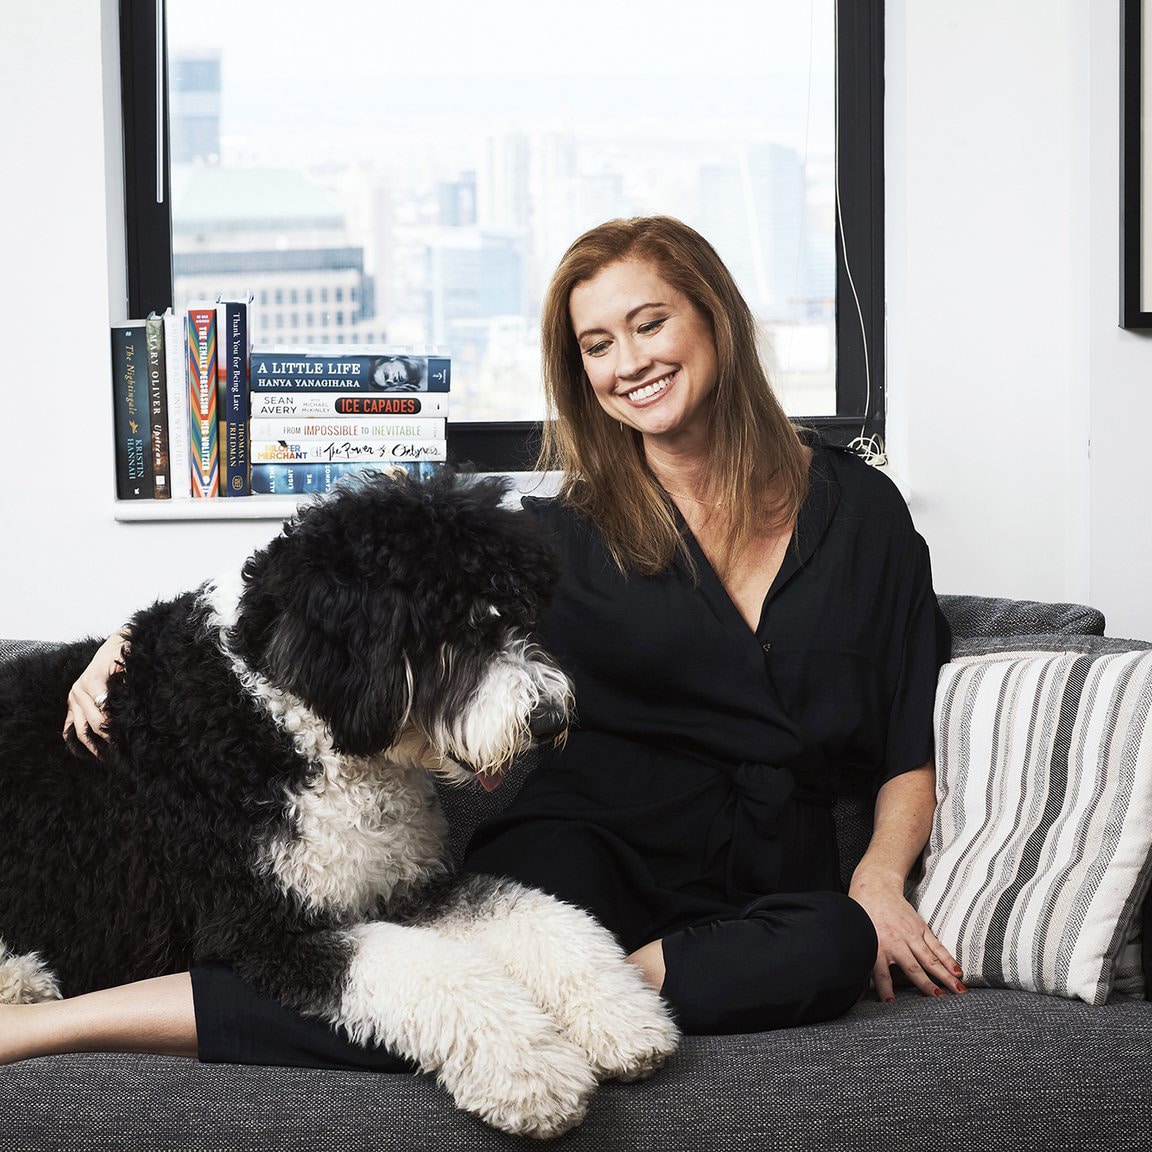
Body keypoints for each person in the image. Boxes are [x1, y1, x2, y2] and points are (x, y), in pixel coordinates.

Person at [2, 215, 963, 1069]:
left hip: (769, 869)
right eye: (596, 344)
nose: (629, 362)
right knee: (421, 958)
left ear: (713, 316)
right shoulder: (561, 535)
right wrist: (130, 639)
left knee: (833, 944)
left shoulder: (865, 515)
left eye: (649, 322)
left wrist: (879, 881)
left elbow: (905, 744)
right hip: (593, 838)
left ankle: (589, 989)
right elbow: (335, 580)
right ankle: (57, 1025)